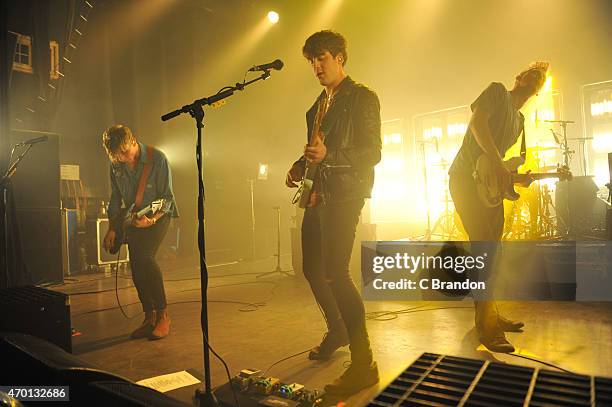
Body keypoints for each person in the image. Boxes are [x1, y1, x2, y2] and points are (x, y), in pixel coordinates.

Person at [285, 30, 381, 396]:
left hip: (345, 193)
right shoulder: (318, 106)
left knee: (336, 272)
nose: (316, 65)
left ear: (340, 58)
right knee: (312, 269)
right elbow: (315, 149)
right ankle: (338, 329)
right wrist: (299, 165)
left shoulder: (361, 98)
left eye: (322, 57)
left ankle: (364, 363)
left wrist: (330, 159)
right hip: (315, 194)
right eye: (311, 60)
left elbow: (372, 152)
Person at [449, 62, 550, 352]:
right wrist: (497, 164)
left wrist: (515, 180)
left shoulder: (519, 123)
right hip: (464, 179)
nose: (536, 77)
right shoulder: (496, 92)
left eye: (540, 78)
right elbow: (477, 124)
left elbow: (499, 167)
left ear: (539, 90)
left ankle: (489, 313)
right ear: (518, 77)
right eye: (532, 72)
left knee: (494, 252)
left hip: (486, 188)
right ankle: (488, 330)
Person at [102, 124, 179, 340]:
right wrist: (112, 228)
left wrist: (151, 219)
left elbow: (167, 198)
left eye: (125, 153)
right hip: (133, 219)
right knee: (136, 267)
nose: (123, 159)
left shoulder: (158, 159)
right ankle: (149, 317)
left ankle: (163, 315)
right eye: (118, 156)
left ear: (133, 141)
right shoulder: (116, 164)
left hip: (158, 216)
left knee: (145, 257)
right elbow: (116, 198)